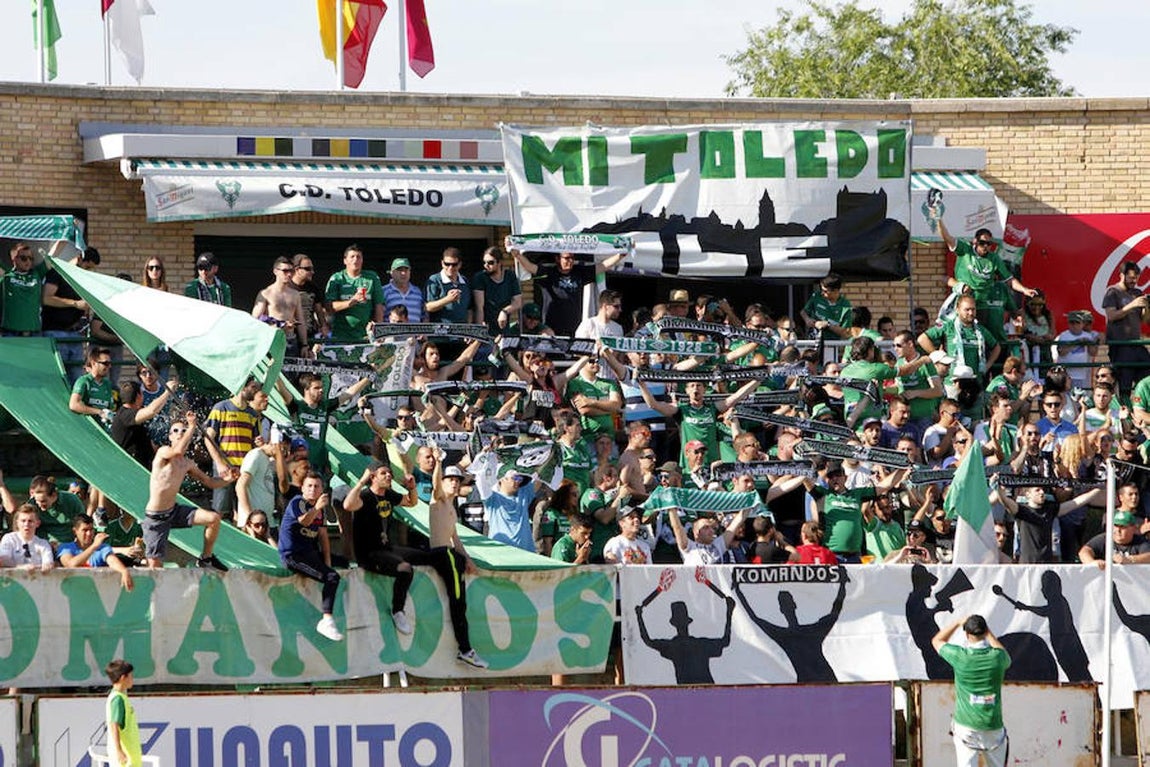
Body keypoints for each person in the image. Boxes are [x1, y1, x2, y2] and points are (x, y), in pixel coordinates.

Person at [142, 411, 235, 570]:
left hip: (174, 511)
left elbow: (210, 482)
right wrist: (191, 426)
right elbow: (177, 451)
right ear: (170, 436)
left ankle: (206, 558)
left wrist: (229, 479)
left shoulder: (187, 463)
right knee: (155, 568)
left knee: (213, 518)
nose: (180, 434)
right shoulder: (164, 452)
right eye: (175, 431)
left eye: (183, 431)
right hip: (156, 517)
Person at [426, 448, 487, 668]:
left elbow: (456, 538)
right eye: (449, 479)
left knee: (460, 603)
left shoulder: (451, 508)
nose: (453, 483)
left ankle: (465, 648)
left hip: (450, 553)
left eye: (456, 480)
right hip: (442, 554)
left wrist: (469, 559)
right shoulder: (438, 500)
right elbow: (435, 486)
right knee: (457, 602)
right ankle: (465, 649)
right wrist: (439, 462)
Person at [342, 460, 419, 634]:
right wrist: (361, 481)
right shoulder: (365, 496)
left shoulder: (388, 494)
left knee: (427, 555)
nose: (389, 475)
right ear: (373, 477)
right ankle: (398, 611)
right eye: (383, 473)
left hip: (386, 548)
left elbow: (411, 502)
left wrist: (412, 488)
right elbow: (347, 505)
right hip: (369, 554)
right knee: (405, 569)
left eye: (389, 473)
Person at [931, 614, 1011, 767]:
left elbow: (937, 641)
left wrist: (957, 623)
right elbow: (1004, 654)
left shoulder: (960, 656)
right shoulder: (998, 657)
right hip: (993, 726)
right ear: (985, 631)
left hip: (966, 727)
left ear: (967, 634)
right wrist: (989, 633)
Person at [278, 472, 343, 641]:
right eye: (309, 486)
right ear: (302, 488)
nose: (313, 489)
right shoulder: (298, 502)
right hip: (292, 555)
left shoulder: (320, 510)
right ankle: (326, 620)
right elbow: (304, 521)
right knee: (331, 577)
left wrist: (327, 561)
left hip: (309, 553)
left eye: (317, 486)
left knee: (343, 564)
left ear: (322, 489)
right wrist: (317, 508)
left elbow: (323, 535)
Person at [510, 249, 625, 336]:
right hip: (551, 327)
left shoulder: (579, 272)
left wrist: (620, 255)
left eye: (572, 258)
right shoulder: (549, 272)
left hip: (575, 327)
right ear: (557, 258)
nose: (570, 261)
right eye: (566, 258)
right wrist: (517, 255)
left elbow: (603, 266)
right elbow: (530, 267)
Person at [203, 378, 262, 519]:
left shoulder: (253, 414)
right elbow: (208, 438)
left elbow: (256, 443)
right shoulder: (221, 408)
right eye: (253, 387)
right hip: (225, 467)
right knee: (219, 511)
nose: (256, 391)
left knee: (243, 512)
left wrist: (259, 443)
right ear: (242, 386)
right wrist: (219, 463)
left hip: (245, 470)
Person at [42, 245, 99, 379]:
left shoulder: (82, 279)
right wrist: (75, 304)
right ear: (79, 259)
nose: (89, 271)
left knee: (76, 377)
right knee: (58, 377)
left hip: (75, 333)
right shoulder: (58, 272)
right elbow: (46, 298)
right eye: (88, 267)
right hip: (55, 331)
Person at [1103, 261, 1150, 395]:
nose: (1134, 281)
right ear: (1122, 275)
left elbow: (1145, 320)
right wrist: (1132, 305)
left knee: (1147, 381)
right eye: (1131, 278)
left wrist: (1147, 307)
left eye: (1136, 278)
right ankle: (1125, 412)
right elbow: (1111, 316)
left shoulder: (1137, 292)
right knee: (1125, 385)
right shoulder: (1113, 292)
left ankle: (1143, 409)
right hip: (1120, 346)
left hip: (1137, 344)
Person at [56, 514, 137, 592]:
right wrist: (94, 546)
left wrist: (123, 571)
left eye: (91, 529)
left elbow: (112, 560)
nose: (89, 533)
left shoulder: (103, 548)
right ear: (75, 531)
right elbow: (70, 564)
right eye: (85, 530)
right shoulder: (65, 547)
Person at [111, 377, 178, 468]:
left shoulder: (129, 414)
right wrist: (167, 392)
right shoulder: (125, 415)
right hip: (133, 469)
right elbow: (152, 411)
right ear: (139, 396)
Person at [325, 244, 385, 343]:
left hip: (366, 336)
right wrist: (352, 301)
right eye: (352, 257)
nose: (355, 259)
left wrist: (379, 331)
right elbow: (329, 307)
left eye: (358, 257)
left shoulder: (372, 278)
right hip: (341, 336)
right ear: (345, 260)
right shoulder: (337, 278)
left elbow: (379, 305)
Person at [252, 256, 308, 355]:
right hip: (272, 340)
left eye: (291, 271)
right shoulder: (266, 293)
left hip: (290, 340)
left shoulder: (295, 295)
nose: (289, 274)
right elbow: (256, 319)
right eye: (285, 271)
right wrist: (279, 323)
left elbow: (301, 321)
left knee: (291, 370)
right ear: (276, 271)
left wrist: (304, 345)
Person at [473, 246, 522, 333]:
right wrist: (479, 331)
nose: (486, 265)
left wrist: (504, 311)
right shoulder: (480, 277)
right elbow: (479, 307)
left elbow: (518, 302)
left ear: (500, 262)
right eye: (484, 262)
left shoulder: (510, 276)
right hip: (486, 328)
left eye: (490, 262)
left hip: (504, 328)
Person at [1078, 510, 1150, 568]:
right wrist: (1092, 562)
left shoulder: (1140, 542)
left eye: (1123, 527)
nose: (1118, 530)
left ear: (1133, 528)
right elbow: (1084, 551)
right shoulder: (1105, 538)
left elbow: (1148, 556)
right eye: (1115, 526)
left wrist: (1129, 560)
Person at [69, 346, 119, 429]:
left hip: (104, 431)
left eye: (110, 363)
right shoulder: (84, 381)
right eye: (105, 363)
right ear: (93, 363)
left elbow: (109, 408)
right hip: (86, 430)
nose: (109, 366)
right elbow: (74, 405)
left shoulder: (108, 384)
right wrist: (98, 412)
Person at [105, 659, 141, 767]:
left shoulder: (121, 697)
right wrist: (119, 751)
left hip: (129, 758)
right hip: (125, 760)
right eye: (130, 676)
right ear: (123, 678)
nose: (132, 679)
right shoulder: (117, 699)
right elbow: (113, 725)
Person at [424, 247, 472, 323]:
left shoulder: (465, 281)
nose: (450, 268)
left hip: (462, 331)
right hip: (441, 331)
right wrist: (448, 299)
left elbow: (469, 309)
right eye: (447, 264)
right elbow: (428, 307)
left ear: (460, 264)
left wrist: (469, 328)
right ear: (442, 263)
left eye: (454, 264)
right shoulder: (435, 280)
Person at [0, 505, 54, 569]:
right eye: (23, 521)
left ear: (37, 523)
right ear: (17, 522)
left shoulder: (43, 543)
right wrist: (20, 567)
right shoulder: (9, 539)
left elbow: (48, 563)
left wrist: (36, 567)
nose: (26, 524)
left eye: (30, 521)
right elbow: (3, 560)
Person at [800, 273, 852, 340]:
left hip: (832, 345)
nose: (822, 293)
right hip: (813, 341)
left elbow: (846, 333)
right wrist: (807, 319)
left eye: (825, 291)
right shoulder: (817, 296)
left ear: (835, 291)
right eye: (821, 290)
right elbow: (803, 312)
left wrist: (828, 325)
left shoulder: (845, 306)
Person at [382, 257, 425, 323]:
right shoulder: (383, 291)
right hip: (391, 333)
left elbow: (424, 316)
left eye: (406, 270)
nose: (403, 273)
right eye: (399, 270)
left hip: (414, 333)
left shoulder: (418, 292)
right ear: (392, 273)